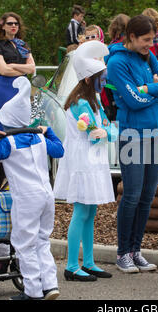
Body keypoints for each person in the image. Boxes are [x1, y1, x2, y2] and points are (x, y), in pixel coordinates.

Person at [0, 76, 64, 300]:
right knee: (42, 240)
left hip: (27, 198)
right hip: (47, 195)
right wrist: (49, 132)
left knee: (24, 244)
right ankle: (50, 285)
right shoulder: (38, 138)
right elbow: (59, 151)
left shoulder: (8, 143)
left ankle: (33, 292)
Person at [106, 15, 158, 273]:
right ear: (131, 37)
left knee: (147, 197)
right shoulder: (116, 62)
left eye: (153, 39)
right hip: (132, 135)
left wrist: (145, 88)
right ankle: (123, 252)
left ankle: (136, 251)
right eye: (146, 40)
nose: (151, 44)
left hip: (156, 134)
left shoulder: (148, 56)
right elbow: (133, 102)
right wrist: (152, 91)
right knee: (132, 196)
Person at [53, 41, 116, 282]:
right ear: (89, 79)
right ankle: (71, 266)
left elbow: (106, 129)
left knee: (91, 211)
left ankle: (88, 262)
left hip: (93, 160)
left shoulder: (94, 100)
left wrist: (106, 132)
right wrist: (107, 132)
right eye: (102, 77)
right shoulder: (81, 101)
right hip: (82, 162)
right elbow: (95, 133)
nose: (105, 81)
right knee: (81, 211)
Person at [0, 12, 35, 131]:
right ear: (3, 26)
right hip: (5, 87)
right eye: (10, 23)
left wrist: (14, 65)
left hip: (22, 88)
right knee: (3, 124)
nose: (13, 26)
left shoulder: (23, 45)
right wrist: (23, 70)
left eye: (16, 24)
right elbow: (3, 70)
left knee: (22, 123)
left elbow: (32, 68)